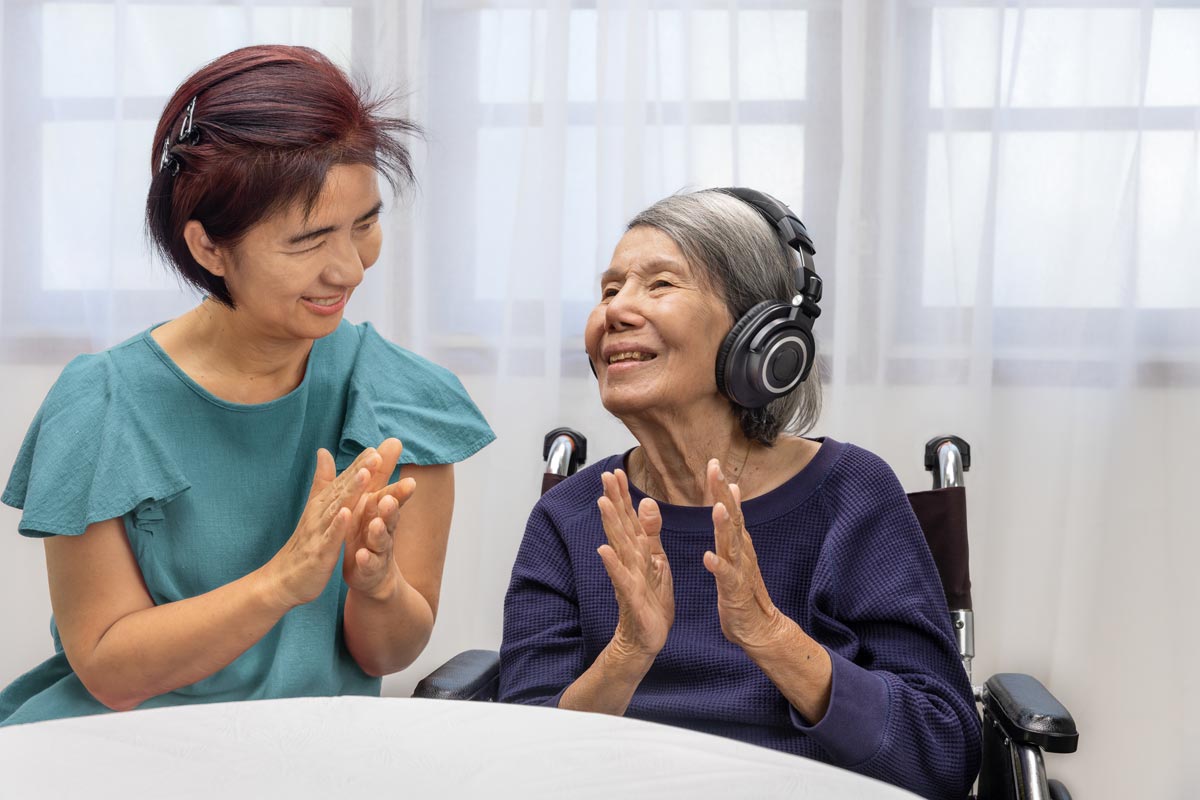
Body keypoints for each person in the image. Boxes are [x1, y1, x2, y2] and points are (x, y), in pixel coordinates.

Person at [0, 45, 494, 726]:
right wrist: (283, 581)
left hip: (304, 756)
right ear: (208, 248)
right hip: (111, 749)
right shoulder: (103, 403)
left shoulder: (400, 397)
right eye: (308, 240)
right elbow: (111, 673)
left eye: (366, 224)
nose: (349, 268)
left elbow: (387, 656)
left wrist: (377, 588)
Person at [498, 188, 981, 799]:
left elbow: (941, 754)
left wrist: (770, 635)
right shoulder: (568, 517)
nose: (617, 310)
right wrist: (628, 652)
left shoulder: (853, 497)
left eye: (660, 284)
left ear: (759, 334)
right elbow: (518, 758)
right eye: (609, 289)